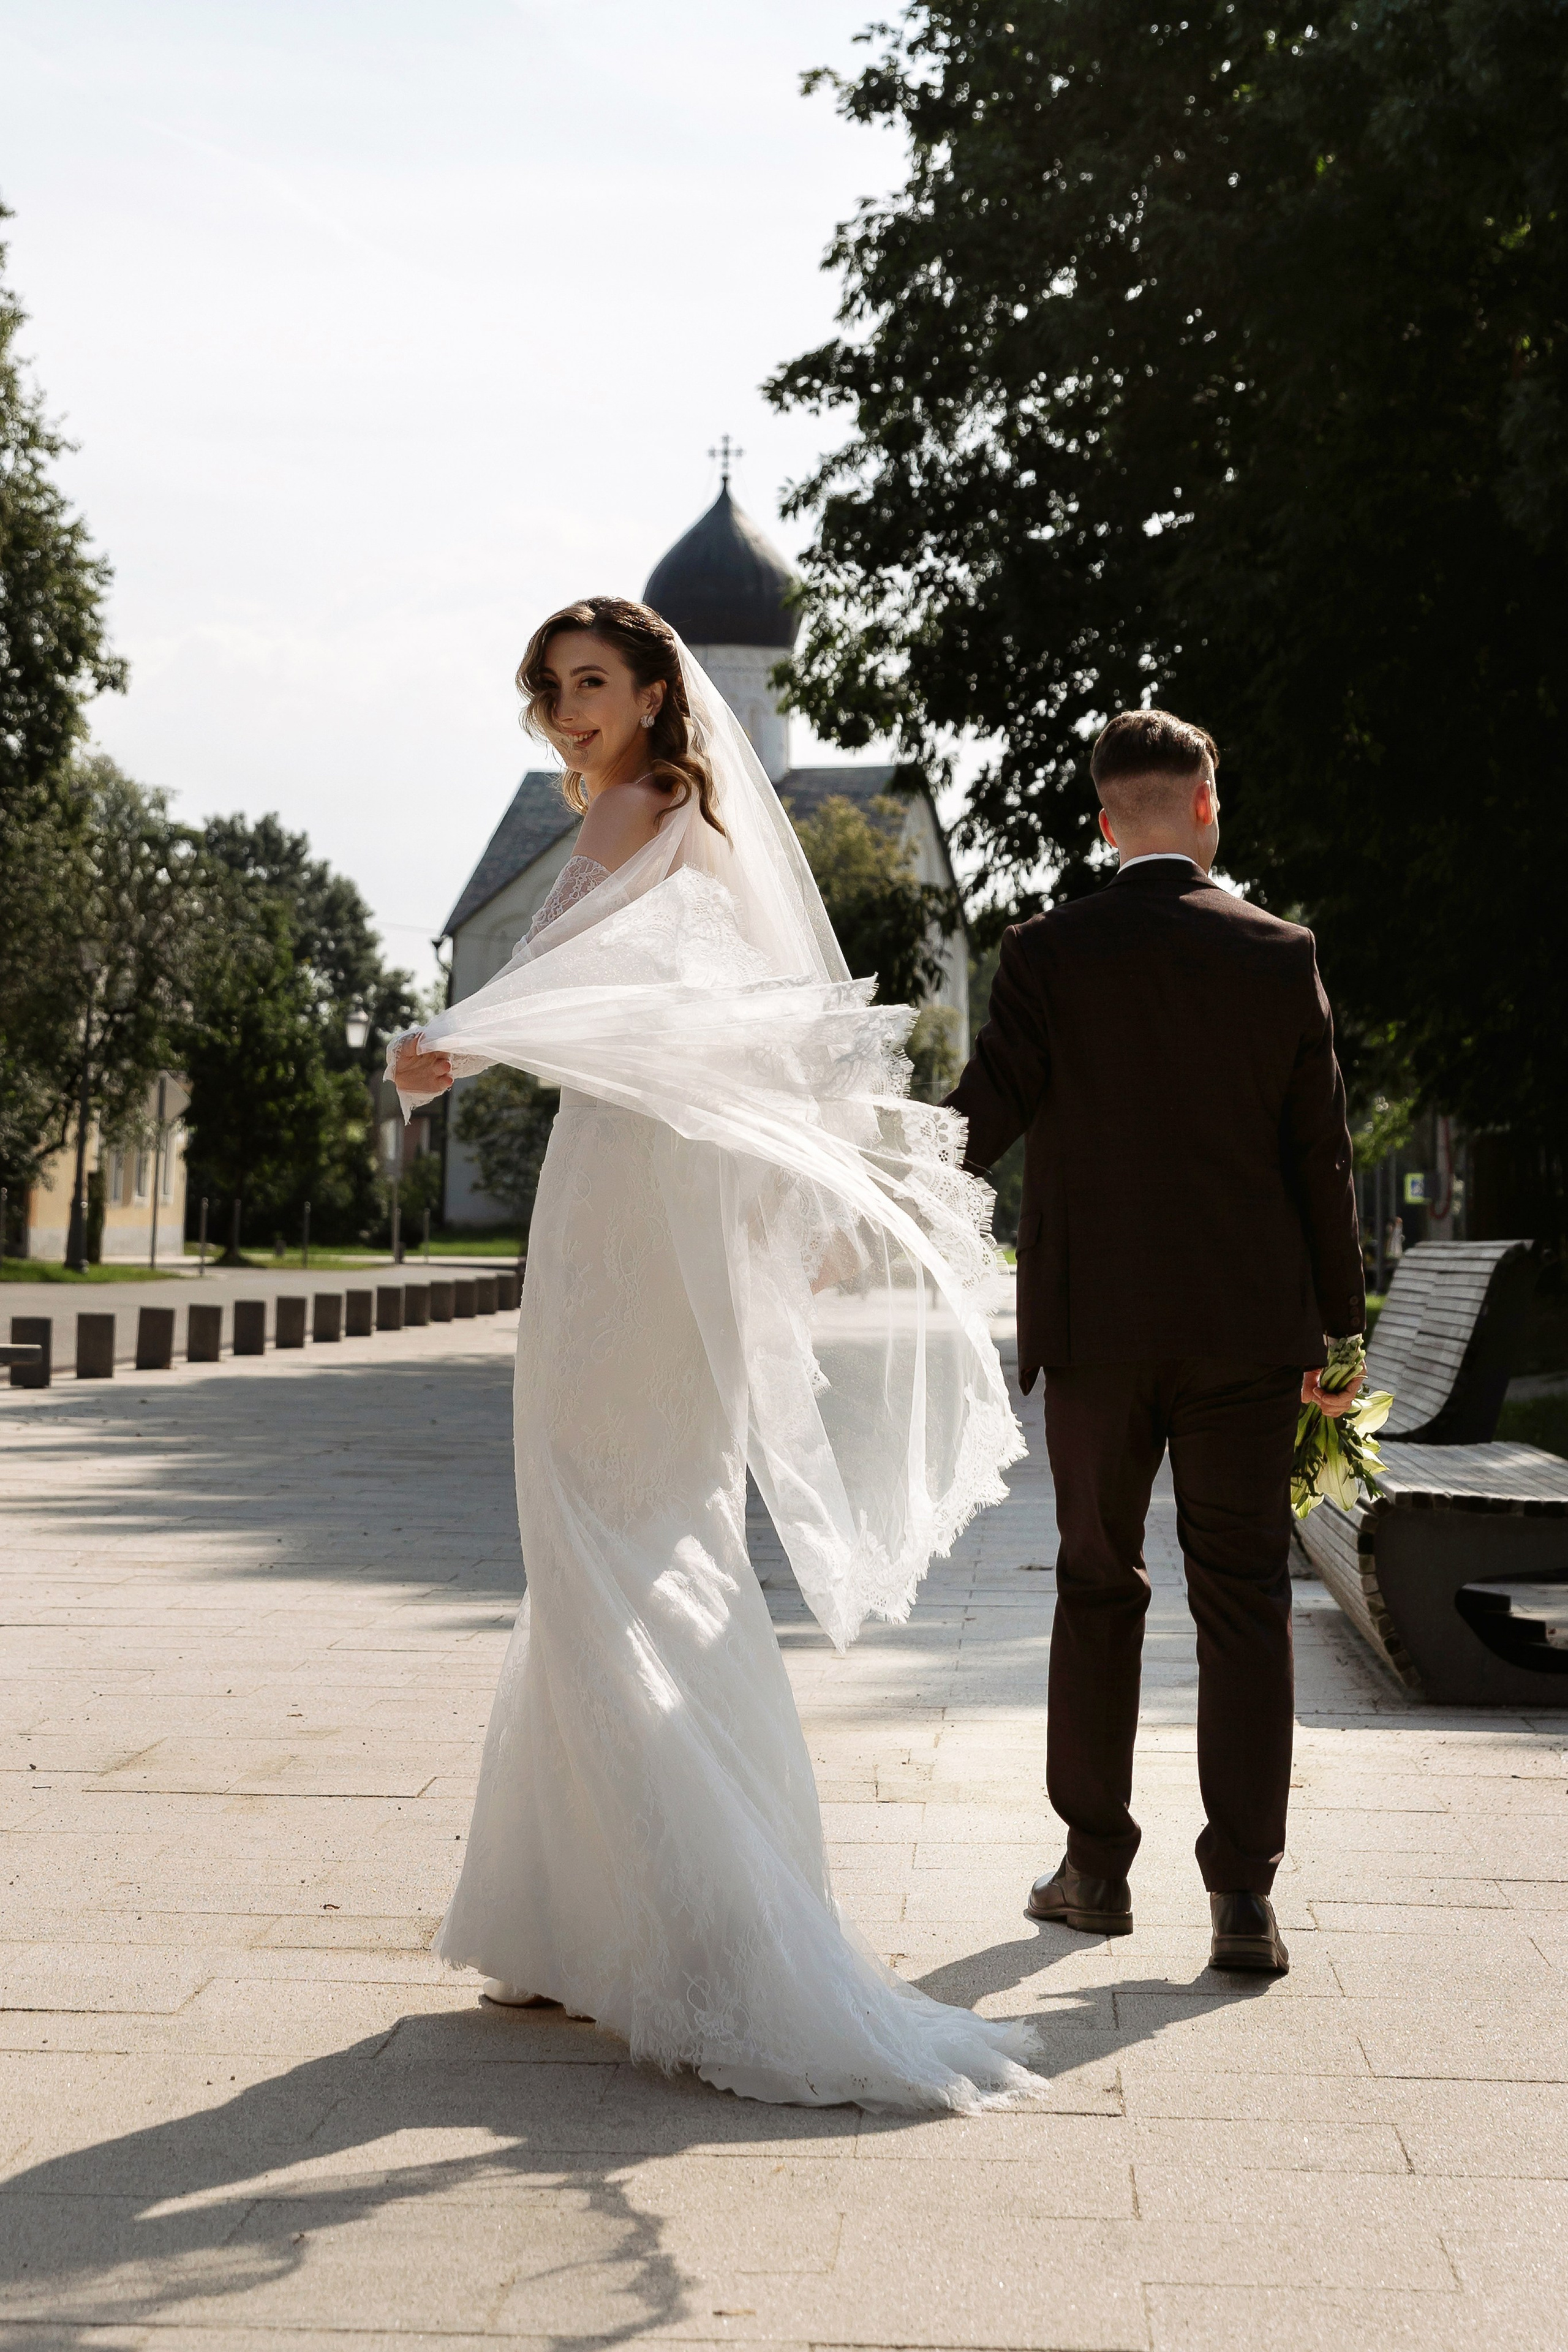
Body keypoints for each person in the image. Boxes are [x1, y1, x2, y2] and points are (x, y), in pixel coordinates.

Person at [390, 596, 1035, 2111]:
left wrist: (442, 1051)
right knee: (647, 1520)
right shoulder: (701, 820)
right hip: (659, 1192)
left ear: (659, 688)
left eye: (593, 683)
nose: (567, 710)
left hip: (620, 1191)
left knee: (597, 1520)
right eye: (549, 687)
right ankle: (580, 1923)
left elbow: (551, 985)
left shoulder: (636, 808)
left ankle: (700, 1929)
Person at [945, 709, 1365, 1977]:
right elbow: (1319, 1164)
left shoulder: (1045, 953)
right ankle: (1242, 1898)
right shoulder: (1276, 951)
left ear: (1099, 821)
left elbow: (975, 1126)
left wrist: (855, 1177)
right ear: (1201, 805)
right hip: (1245, 1331)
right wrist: (1336, 1337)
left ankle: (1094, 1870)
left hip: (1095, 1331)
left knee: (1095, 1583)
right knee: (1242, 1600)